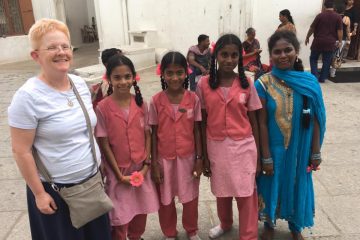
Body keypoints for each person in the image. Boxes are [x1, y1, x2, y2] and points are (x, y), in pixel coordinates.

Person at [7, 18, 111, 240]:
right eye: (52, 47)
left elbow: (84, 131)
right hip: (56, 194)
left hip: (91, 185)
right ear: (36, 56)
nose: (61, 52)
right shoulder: (27, 97)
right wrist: (39, 194)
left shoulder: (79, 84)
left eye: (65, 46)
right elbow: (20, 151)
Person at [255, 30, 326, 240]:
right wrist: (265, 156)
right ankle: (269, 223)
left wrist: (315, 151)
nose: (283, 55)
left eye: (288, 50)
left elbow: (316, 120)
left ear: (296, 51)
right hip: (273, 148)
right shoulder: (263, 83)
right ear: (270, 55)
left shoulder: (309, 82)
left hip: (301, 148)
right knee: (271, 182)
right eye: (277, 51)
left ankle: (295, 226)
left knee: (298, 182)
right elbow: (261, 123)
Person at [196, 34, 261, 240]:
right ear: (216, 55)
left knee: (245, 191)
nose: (229, 60)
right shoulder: (204, 84)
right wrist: (204, 155)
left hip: (243, 146)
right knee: (222, 188)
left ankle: (248, 234)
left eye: (234, 55)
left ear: (240, 59)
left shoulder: (247, 83)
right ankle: (225, 222)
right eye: (224, 54)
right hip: (216, 146)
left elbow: (255, 120)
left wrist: (259, 155)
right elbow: (202, 120)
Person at [95, 55, 159, 240]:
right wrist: (118, 174)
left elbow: (148, 134)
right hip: (119, 172)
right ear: (109, 79)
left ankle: (136, 237)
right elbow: (104, 142)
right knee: (120, 218)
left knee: (140, 213)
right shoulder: (103, 107)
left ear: (134, 77)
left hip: (140, 169)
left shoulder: (140, 104)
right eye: (117, 77)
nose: (123, 82)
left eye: (127, 76)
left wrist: (146, 164)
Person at [149, 51, 203, 240]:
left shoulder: (193, 99)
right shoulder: (156, 101)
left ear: (186, 73)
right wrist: (153, 163)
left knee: (190, 197)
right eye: (169, 73)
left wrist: (199, 158)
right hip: (164, 159)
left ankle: (191, 229)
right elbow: (154, 134)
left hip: (188, 158)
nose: (174, 77)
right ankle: (169, 232)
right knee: (165, 198)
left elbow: (197, 130)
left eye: (179, 72)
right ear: (162, 74)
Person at [305, 0, 343, 83]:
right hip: (330, 43)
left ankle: (314, 77)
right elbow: (339, 30)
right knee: (327, 61)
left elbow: (312, 28)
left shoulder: (320, 16)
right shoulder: (338, 17)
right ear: (333, 6)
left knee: (313, 59)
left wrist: (307, 37)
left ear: (324, 6)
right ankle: (322, 78)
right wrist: (340, 41)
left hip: (318, 41)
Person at [330, 4, 352, 77]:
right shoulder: (346, 18)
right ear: (344, 10)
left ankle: (325, 71)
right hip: (341, 40)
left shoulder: (333, 17)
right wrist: (349, 39)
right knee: (337, 55)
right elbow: (347, 31)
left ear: (335, 9)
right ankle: (332, 73)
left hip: (331, 38)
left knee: (328, 55)